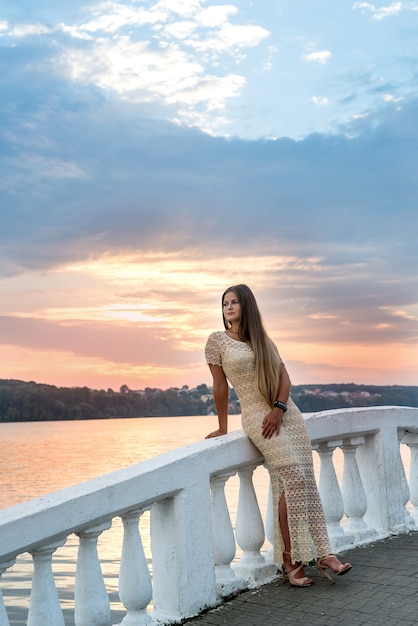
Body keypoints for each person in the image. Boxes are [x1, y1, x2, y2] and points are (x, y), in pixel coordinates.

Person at [204, 284, 352, 586]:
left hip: (287, 415)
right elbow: (220, 386)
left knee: (303, 481)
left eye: (234, 302)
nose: (228, 308)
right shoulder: (216, 341)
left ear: (246, 306)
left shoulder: (263, 341)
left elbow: (285, 377)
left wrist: (280, 408)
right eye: (224, 303)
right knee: (295, 477)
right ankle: (291, 559)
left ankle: (322, 553)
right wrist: (222, 426)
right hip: (257, 415)